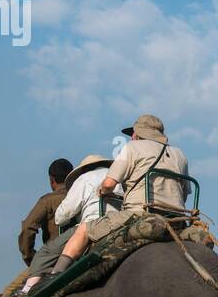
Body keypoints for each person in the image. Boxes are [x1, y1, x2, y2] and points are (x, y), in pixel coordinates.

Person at [47, 114, 190, 272]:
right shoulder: (179, 154)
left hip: (140, 214)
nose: (132, 138)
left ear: (137, 134)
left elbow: (109, 184)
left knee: (84, 230)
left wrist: (102, 191)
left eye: (133, 134)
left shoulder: (132, 148)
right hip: (176, 218)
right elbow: (184, 194)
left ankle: (56, 273)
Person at [16, 154, 121, 296]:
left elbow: (55, 219)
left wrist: (30, 258)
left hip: (86, 231)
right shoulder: (117, 180)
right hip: (119, 222)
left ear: (51, 180)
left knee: (42, 255)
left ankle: (26, 292)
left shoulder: (79, 182)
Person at [17, 158, 72, 265]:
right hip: (82, 251)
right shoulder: (82, 195)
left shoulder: (46, 201)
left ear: (52, 180)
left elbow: (27, 227)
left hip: (54, 258)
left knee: (16, 283)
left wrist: (31, 259)